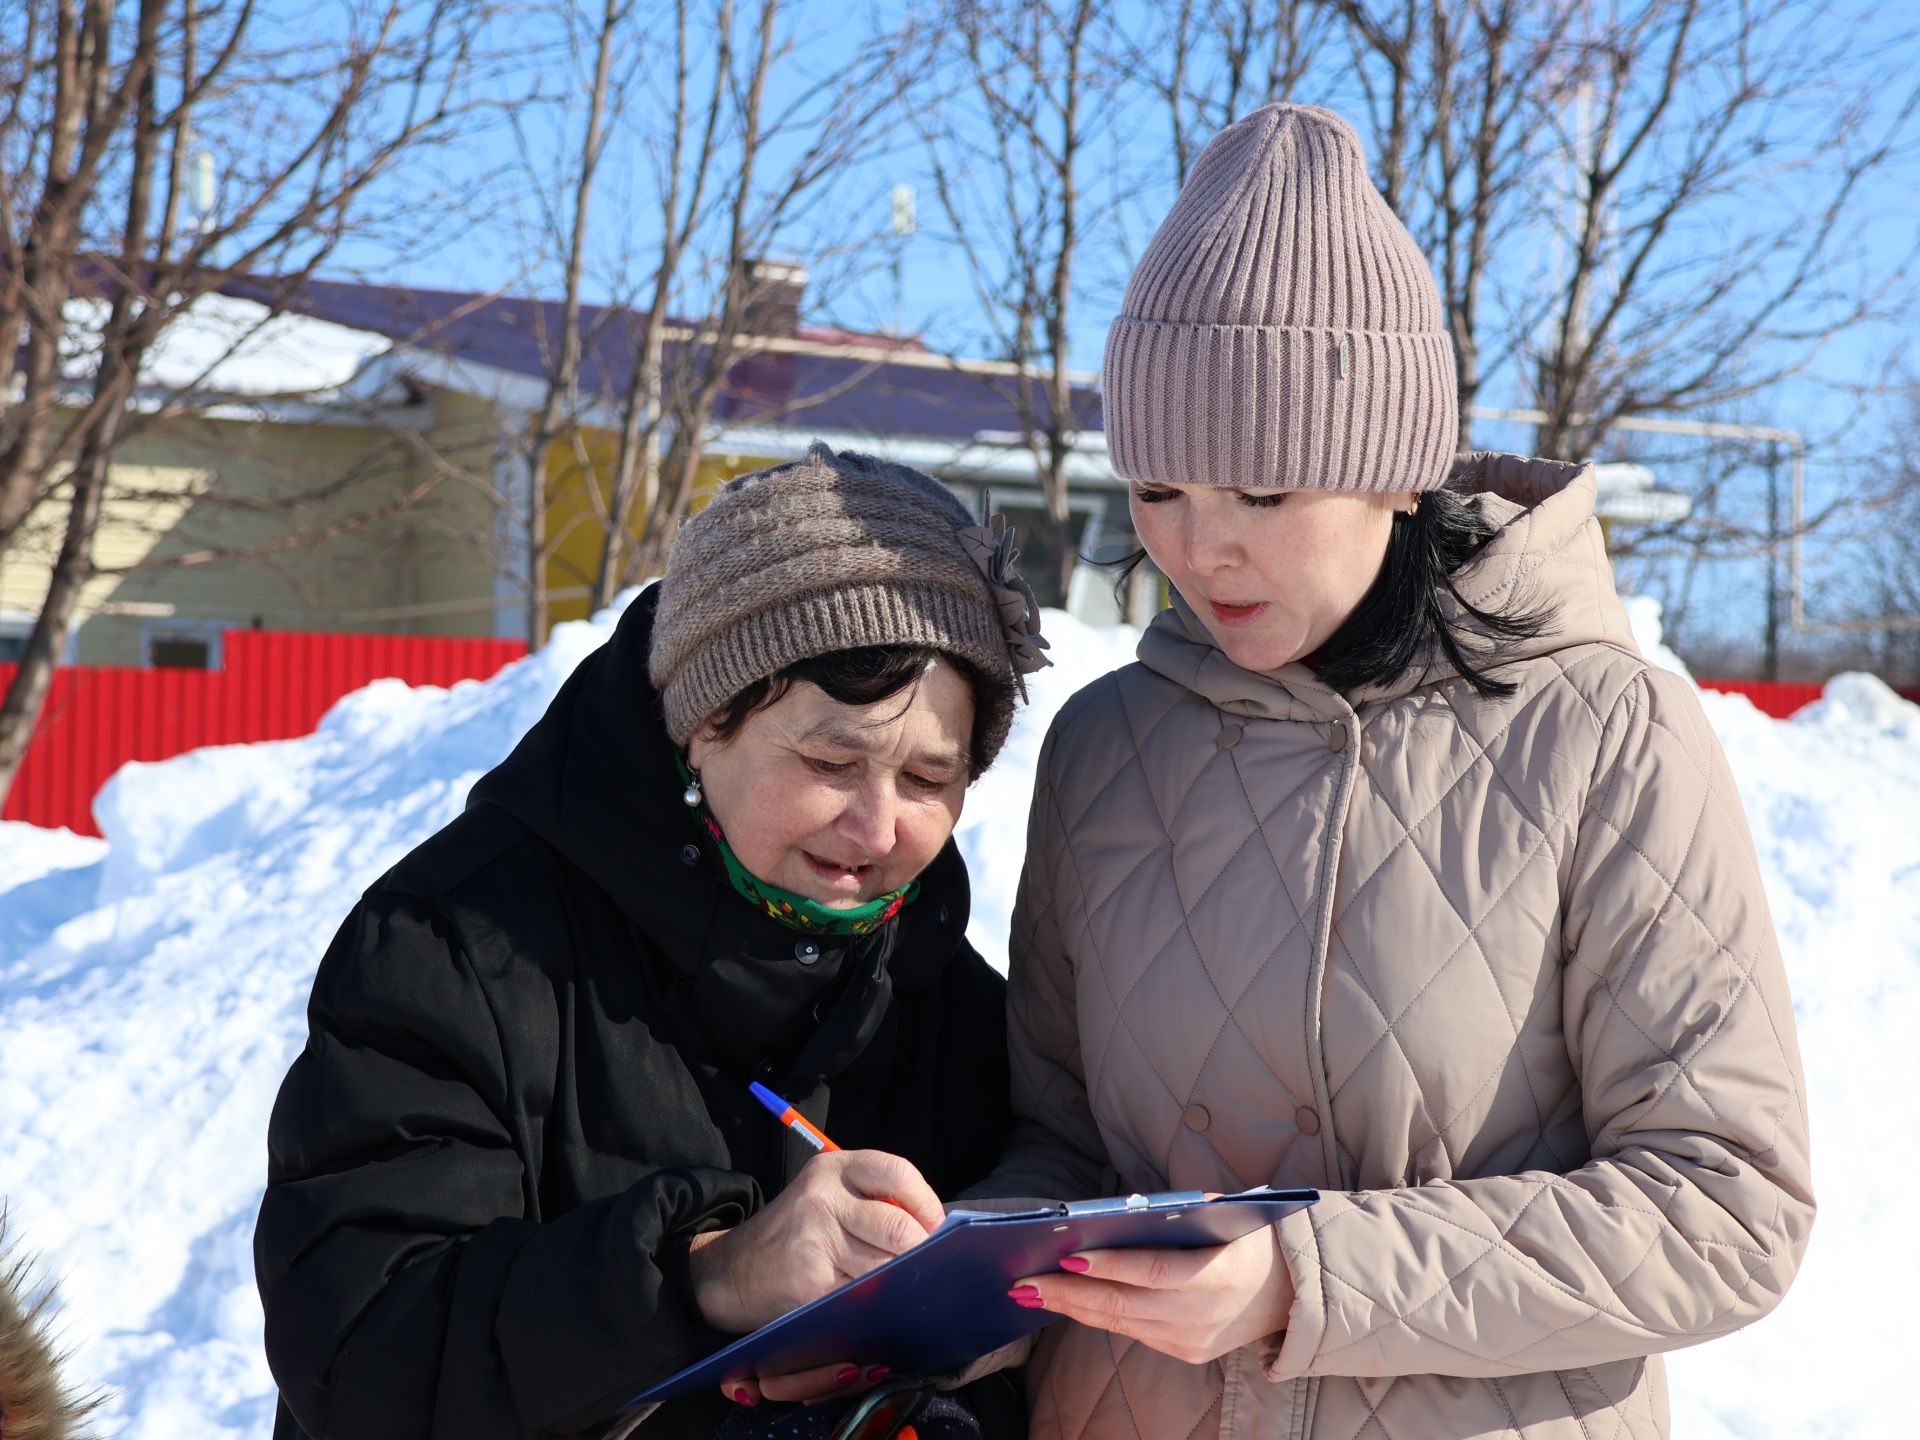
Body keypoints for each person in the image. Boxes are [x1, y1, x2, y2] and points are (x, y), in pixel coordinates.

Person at [973, 104, 1814, 1439]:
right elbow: (1065, 1148)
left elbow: (1725, 1206)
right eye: (1160, 491)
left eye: (1262, 494)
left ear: (1395, 477)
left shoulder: (1605, 736)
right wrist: (940, 1267)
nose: (1202, 552)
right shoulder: (1108, 747)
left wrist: (1310, 1282)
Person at [254, 442, 1050, 1440]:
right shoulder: (454, 946)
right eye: (828, 760)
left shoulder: (946, 1000)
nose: (878, 828)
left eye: (929, 782)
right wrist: (712, 1276)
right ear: (702, 723)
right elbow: (362, 1353)